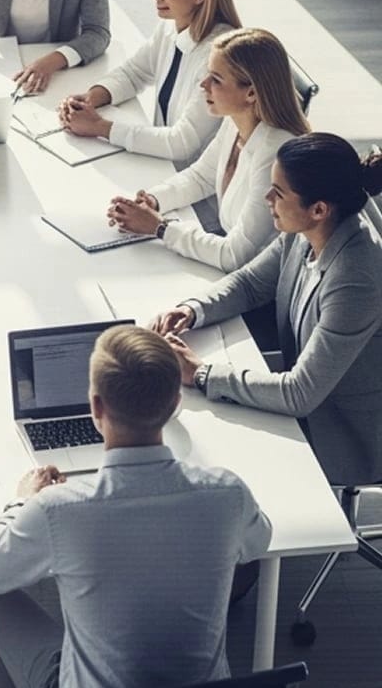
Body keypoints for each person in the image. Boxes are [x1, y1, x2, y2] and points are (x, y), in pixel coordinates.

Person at [0, 325, 271, 688]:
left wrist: (21, 503)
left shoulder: (58, 510)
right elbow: (258, 544)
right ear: (175, 404)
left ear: (95, 408)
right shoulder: (226, 493)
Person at [154, 134, 382, 488]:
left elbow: (299, 394)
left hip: (344, 432)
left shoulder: (355, 277)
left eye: (278, 192)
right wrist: (192, 309)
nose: (266, 199)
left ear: (318, 209)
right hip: (309, 395)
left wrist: (200, 373)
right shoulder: (307, 227)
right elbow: (250, 283)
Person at [106, 28, 309, 271]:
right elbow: (202, 177)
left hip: (251, 285)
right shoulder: (236, 120)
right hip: (219, 259)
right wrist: (153, 200)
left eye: (216, 79)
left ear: (251, 93)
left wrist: (159, 227)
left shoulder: (274, 154)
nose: (203, 85)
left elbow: (235, 255)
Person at [58, 0, 241, 165]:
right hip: (160, 162)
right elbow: (134, 72)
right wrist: (90, 99)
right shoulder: (170, 27)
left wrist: (99, 127)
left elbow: (182, 142)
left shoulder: (218, 59)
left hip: (188, 182)